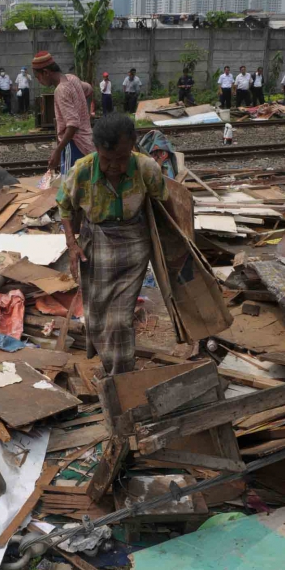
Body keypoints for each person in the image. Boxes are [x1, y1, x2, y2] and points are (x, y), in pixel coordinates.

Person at [56, 113, 172, 375]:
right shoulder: (82, 171)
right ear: (97, 149)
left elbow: (162, 204)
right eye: (107, 160)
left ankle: (120, 375)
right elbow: (64, 205)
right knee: (96, 317)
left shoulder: (146, 168)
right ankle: (108, 361)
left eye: (121, 159)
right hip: (95, 244)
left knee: (119, 319)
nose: (114, 167)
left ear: (132, 145)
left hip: (133, 245)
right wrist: (72, 245)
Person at [32, 50, 94, 175]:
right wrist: (81, 105)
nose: (39, 82)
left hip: (74, 144)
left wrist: (58, 151)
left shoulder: (60, 90)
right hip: (87, 142)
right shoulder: (72, 78)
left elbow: (73, 125)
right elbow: (89, 88)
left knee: (70, 187)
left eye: (38, 77)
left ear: (46, 72)